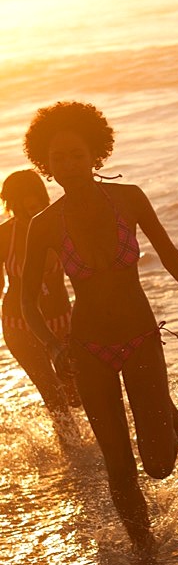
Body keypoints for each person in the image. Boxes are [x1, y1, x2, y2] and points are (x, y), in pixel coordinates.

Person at [21, 101, 178, 550]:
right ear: (46, 163)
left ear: (96, 155)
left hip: (142, 338)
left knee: (159, 463)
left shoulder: (129, 198)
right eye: (58, 157)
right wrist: (51, 346)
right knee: (118, 465)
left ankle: (162, 406)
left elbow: (171, 255)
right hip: (87, 350)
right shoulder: (44, 225)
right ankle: (145, 553)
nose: (68, 164)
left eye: (77, 154)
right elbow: (26, 300)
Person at [0, 169, 79, 436]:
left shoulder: (61, 225)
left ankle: (100, 448)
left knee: (76, 393)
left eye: (34, 202)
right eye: (20, 205)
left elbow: (85, 274)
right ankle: (76, 458)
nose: (27, 213)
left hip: (62, 320)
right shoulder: (3, 236)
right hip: (19, 326)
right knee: (53, 395)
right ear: (10, 205)